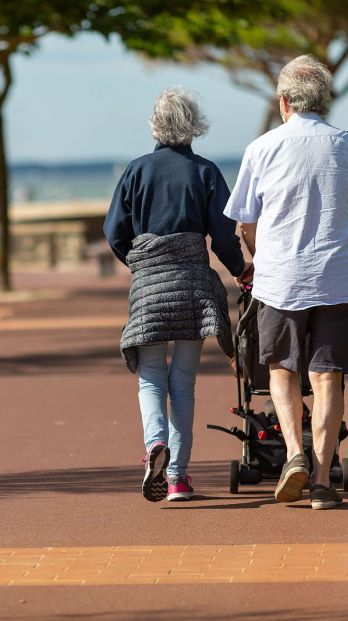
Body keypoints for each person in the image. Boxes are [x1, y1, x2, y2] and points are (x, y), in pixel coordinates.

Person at [224, 55, 348, 510]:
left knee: (281, 370)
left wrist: (259, 258)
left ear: (283, 102)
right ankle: (321, 481)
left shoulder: (262, 148)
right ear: (325, 101)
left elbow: (245, 224)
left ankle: (293, 452)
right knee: (328, 377)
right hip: (341, 279)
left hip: (280, 282)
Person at [105, 87, 250, 503]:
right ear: (193, 125)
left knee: (151, 376)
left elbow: (114, 231)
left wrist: (141, 263)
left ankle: (155, 444)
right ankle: (176, 479)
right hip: (192, 287)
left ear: (155, 124)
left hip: (149, 288)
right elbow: (223, 234)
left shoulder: (136, 170)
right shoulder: (206, 172)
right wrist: (240, 269)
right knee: (183, 383)